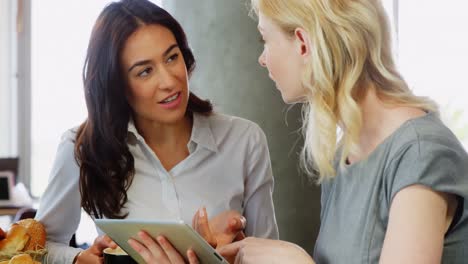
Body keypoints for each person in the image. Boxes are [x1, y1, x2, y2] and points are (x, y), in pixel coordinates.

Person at [216, 0, 468, 263]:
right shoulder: (343, 157)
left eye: (264, 39)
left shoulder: (421, 153)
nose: (262, 59)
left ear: (303, 43)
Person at [35, 0, 278, 263]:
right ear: (117, 85)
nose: (169, 80)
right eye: (145, 71)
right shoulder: (81, 148)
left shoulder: (244, 141)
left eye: (172, 57)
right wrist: (78, 259)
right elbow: (40, 247)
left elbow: (270, 255)